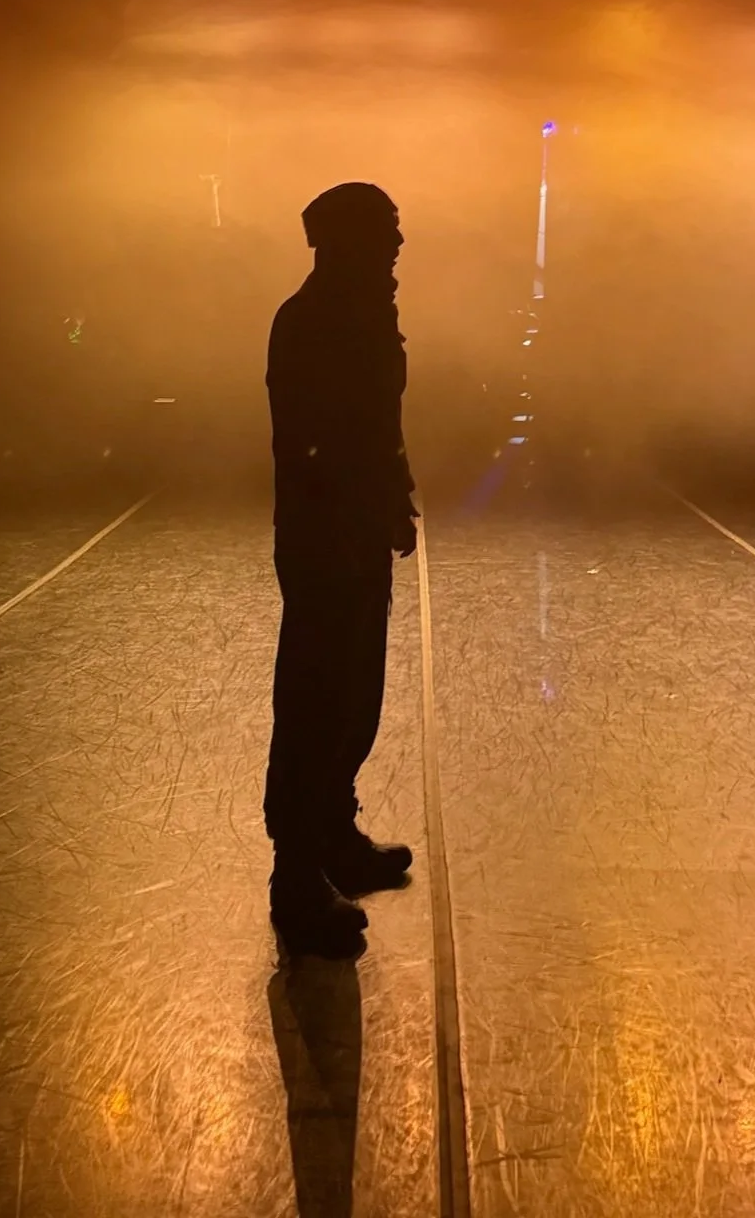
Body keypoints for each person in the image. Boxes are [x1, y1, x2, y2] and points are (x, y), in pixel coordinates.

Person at [264, 182, 418, 957]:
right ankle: (295, 875)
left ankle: (333, 835)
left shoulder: (362, 317)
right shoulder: (312, 324)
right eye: (384, 233)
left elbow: (378, 423)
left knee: (354, 695)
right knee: (315, 701)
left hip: (352, 532)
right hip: (326, 539)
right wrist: (356, 511)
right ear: (344, 242)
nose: (397, 247)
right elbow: (316, 443)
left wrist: (396, 491)